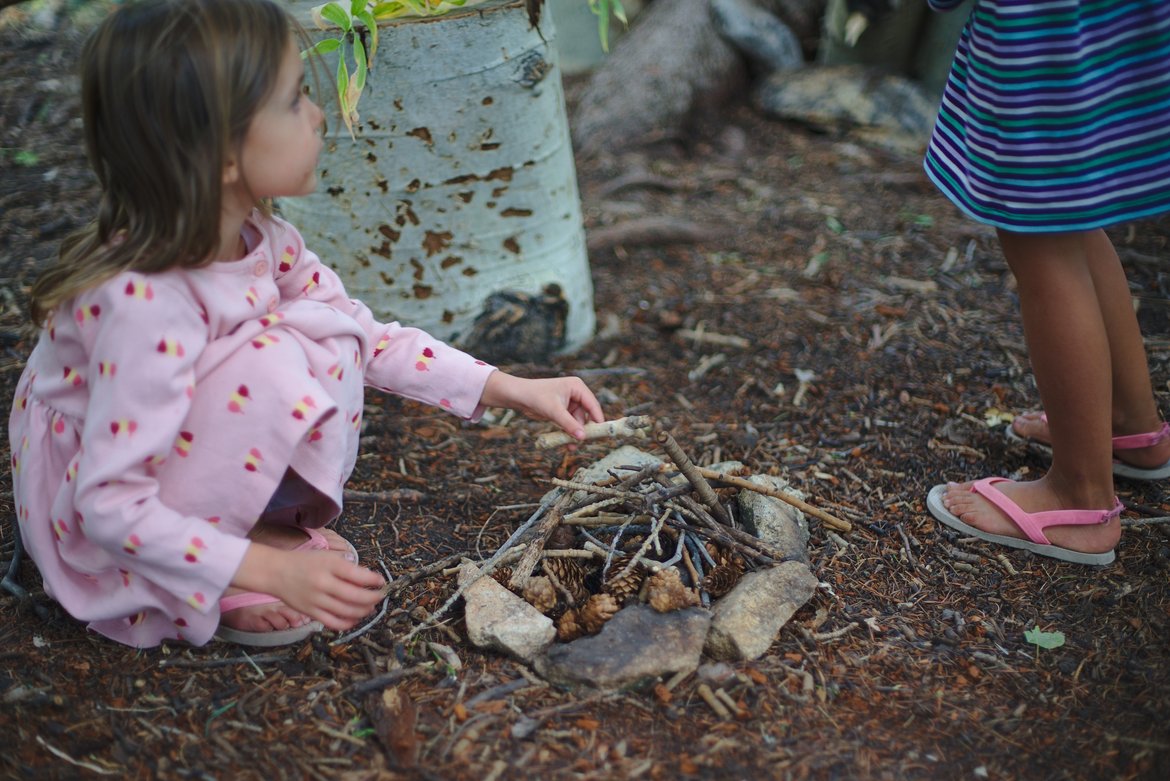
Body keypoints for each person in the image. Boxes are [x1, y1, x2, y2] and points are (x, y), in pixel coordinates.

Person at [7, 0, 604, 648]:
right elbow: (110, 507)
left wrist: (508, 386)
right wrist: (270, 571)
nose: (319, 116)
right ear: (222, 155)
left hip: (166, 439)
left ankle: (245, 523)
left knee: (324, 334)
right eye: (294, 102)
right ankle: (225, 563)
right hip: (97, 512)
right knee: (269, 364)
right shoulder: (144, 304)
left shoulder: (262, 237)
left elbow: (366, 336)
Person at [924, 0, 1170, 565]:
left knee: (1037, 223)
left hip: (1044, 22)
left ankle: (1080, 496)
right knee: (1070, 205)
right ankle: (1130, 426)